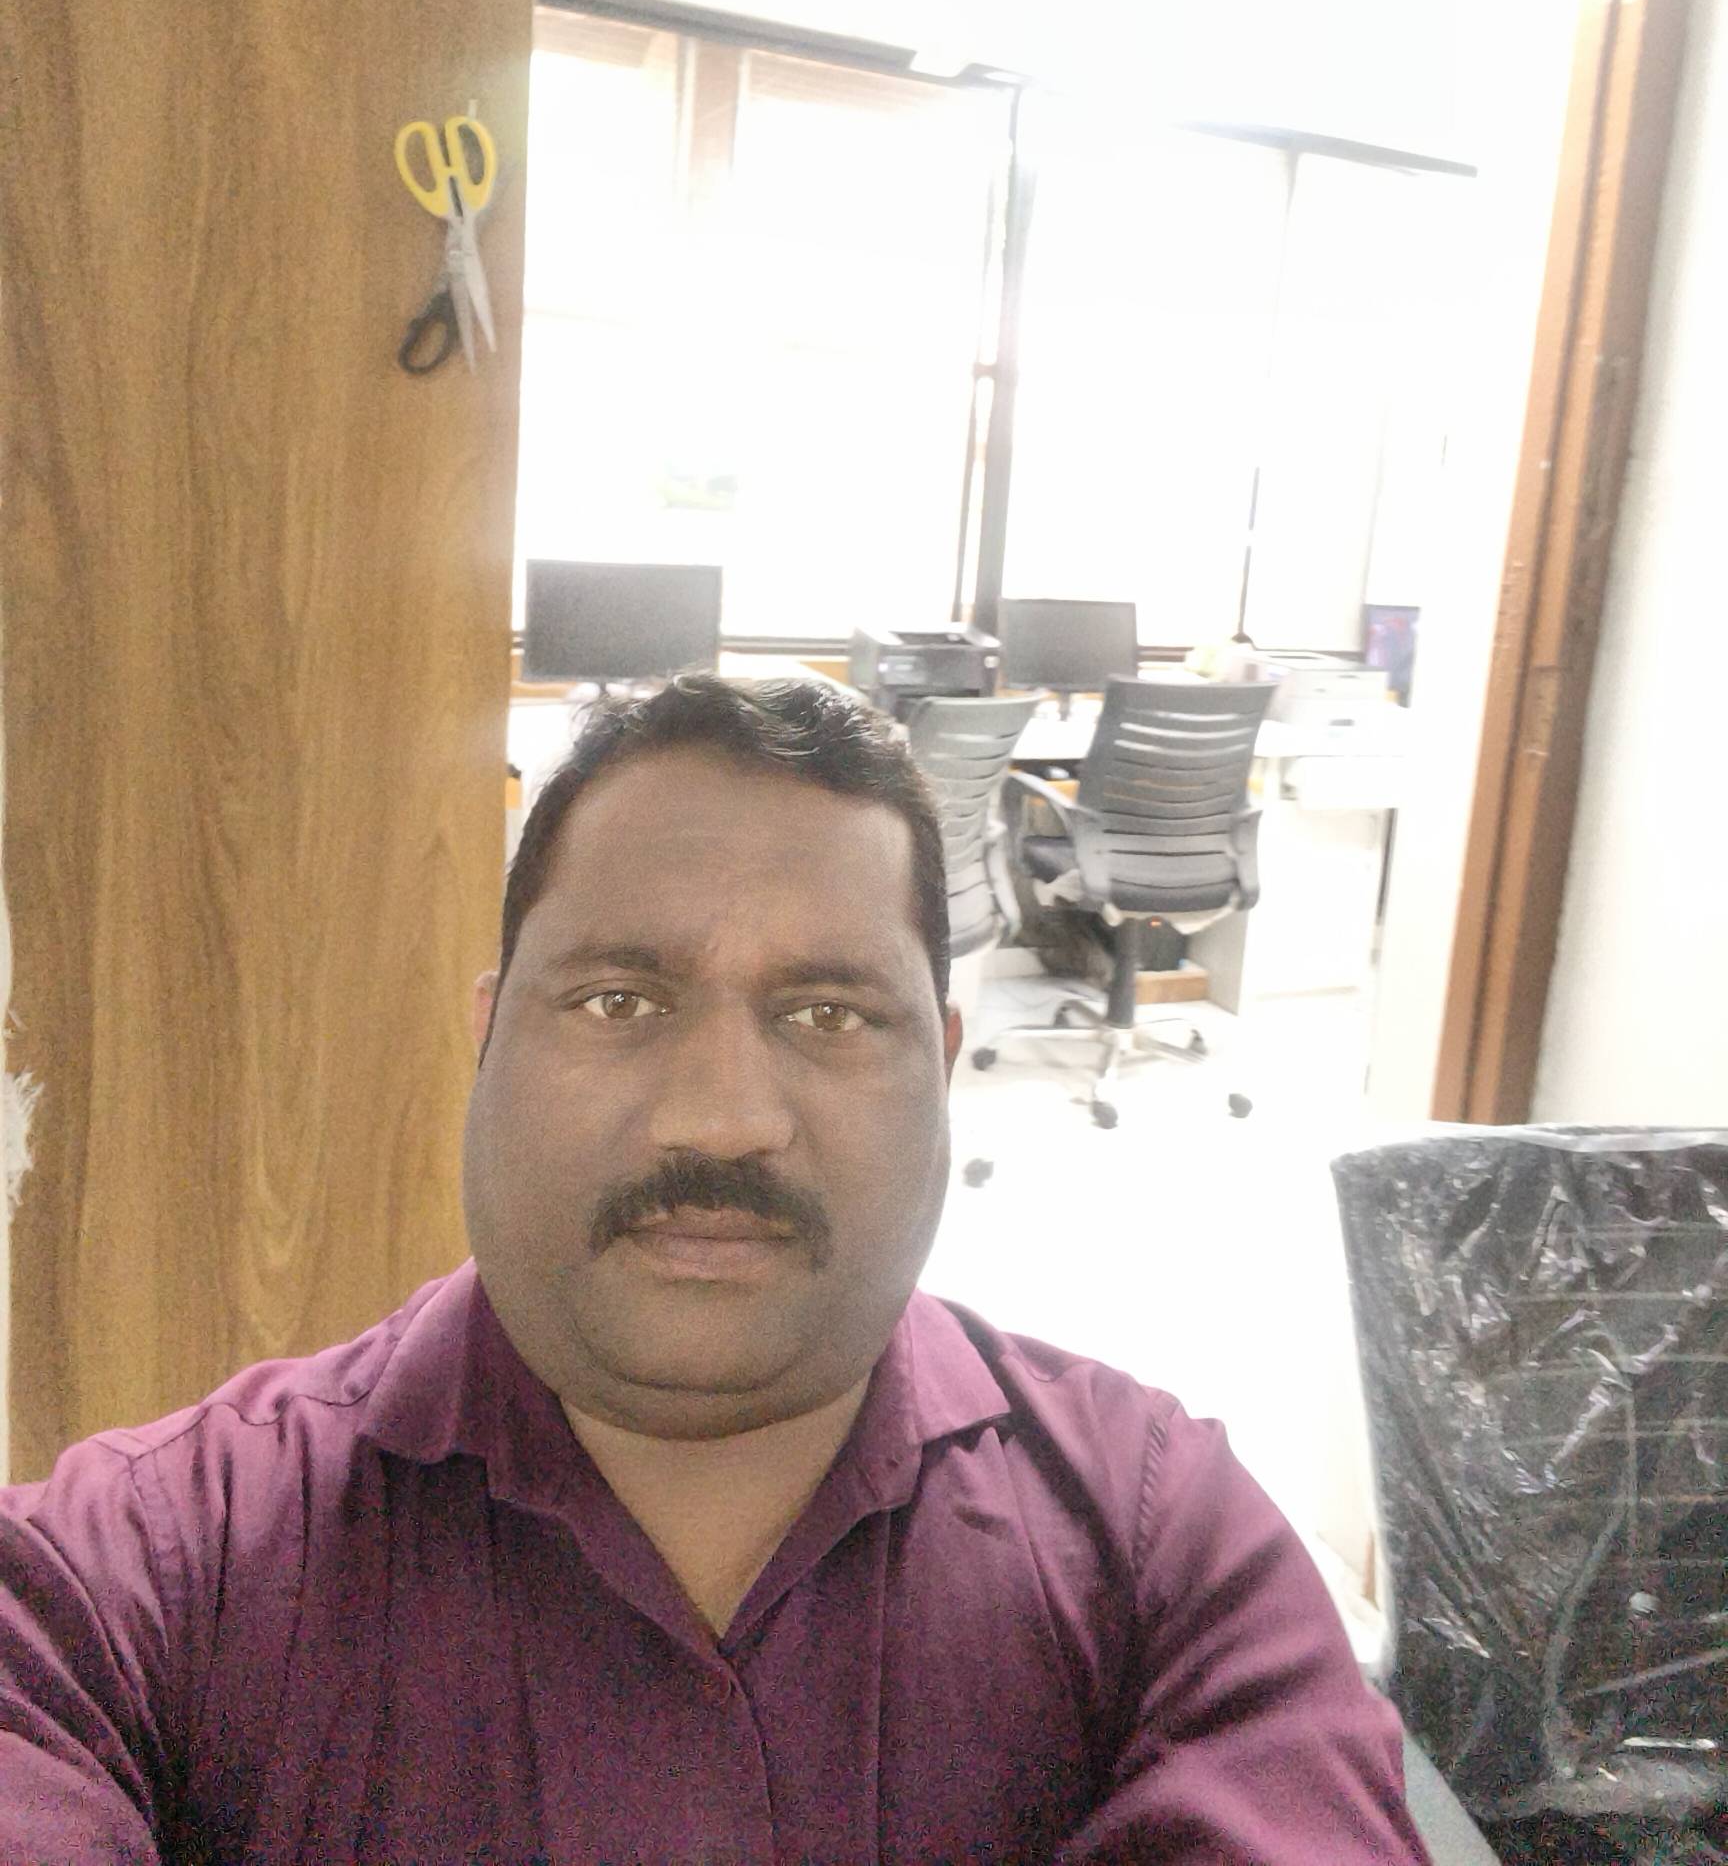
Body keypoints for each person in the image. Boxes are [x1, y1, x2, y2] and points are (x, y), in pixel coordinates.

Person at [0, 675, 1425, 1863]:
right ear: (490, 1037)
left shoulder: (1169, 1557)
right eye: (618, 999)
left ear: (938, 1064)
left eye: (829, 1013)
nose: (721, 1118)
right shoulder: (123, 1589)